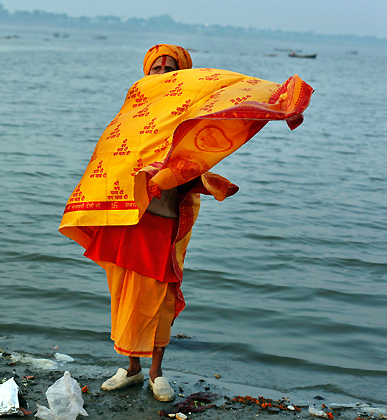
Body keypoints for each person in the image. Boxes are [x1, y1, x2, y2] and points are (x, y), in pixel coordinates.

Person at [59, 44, 313, 402]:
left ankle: (156, 373)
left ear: (184, 72)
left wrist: (276, 101)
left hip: (168, 221)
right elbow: (111, 156)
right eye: (157, 66)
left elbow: (208, 140)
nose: (162, 71)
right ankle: (131, 368)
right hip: (130, 219)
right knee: (125, 296)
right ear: (147, 72)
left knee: (161, 300)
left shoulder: (193, 114)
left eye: (170, 66)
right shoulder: (134, 115)